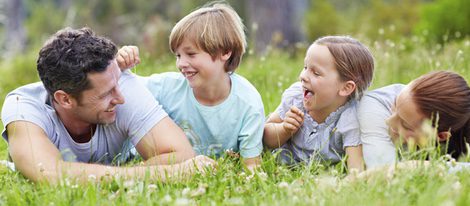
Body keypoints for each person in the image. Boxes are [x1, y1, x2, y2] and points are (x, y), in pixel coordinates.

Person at [1, 27, 215, 184]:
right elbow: (49, 174)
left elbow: (182, 154)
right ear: (65, 99)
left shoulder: (118, 82)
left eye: (117, 84)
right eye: (105, 94)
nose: (120, 98)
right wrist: (166, 174)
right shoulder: (23, 107)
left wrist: (93, 177)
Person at [117, 2, 264, 170]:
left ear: (225, 52)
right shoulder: (168, 87)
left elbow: (252, 167)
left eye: (191, 54)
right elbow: (126, 86)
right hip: (153, 164)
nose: (181, 63)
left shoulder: (248, 103)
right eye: (178, 55)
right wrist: (120, 63)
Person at [263, 36, 375, 172]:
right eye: (305, 67)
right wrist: (284, 130)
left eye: (316, 73)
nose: (303, 76)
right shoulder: (296, 99)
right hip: (282, 168)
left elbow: (356, 171)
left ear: (346, 88)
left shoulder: (352, 119)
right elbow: (264, 138)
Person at [359, 70, 470, 169]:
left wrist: (415, 166)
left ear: (440, 136)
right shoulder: (375, 106)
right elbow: (381, 172)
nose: (388, 121)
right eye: (394, 105)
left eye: (405, 125)